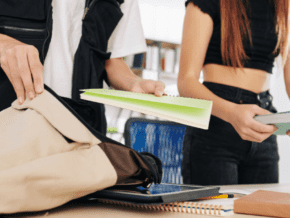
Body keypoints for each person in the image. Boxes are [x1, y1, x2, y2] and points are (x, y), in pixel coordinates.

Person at [0, 0, 165, 134]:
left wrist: (133, 83)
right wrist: (3, 44)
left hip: (81, 131)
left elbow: (110, 60)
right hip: (11, 125)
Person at [178, 0, 290, 185]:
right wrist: (231, 113)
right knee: (216, 212)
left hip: (264, 124)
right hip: (216, 124)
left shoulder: (282, 5)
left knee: (262, 212)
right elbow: (186, 82)